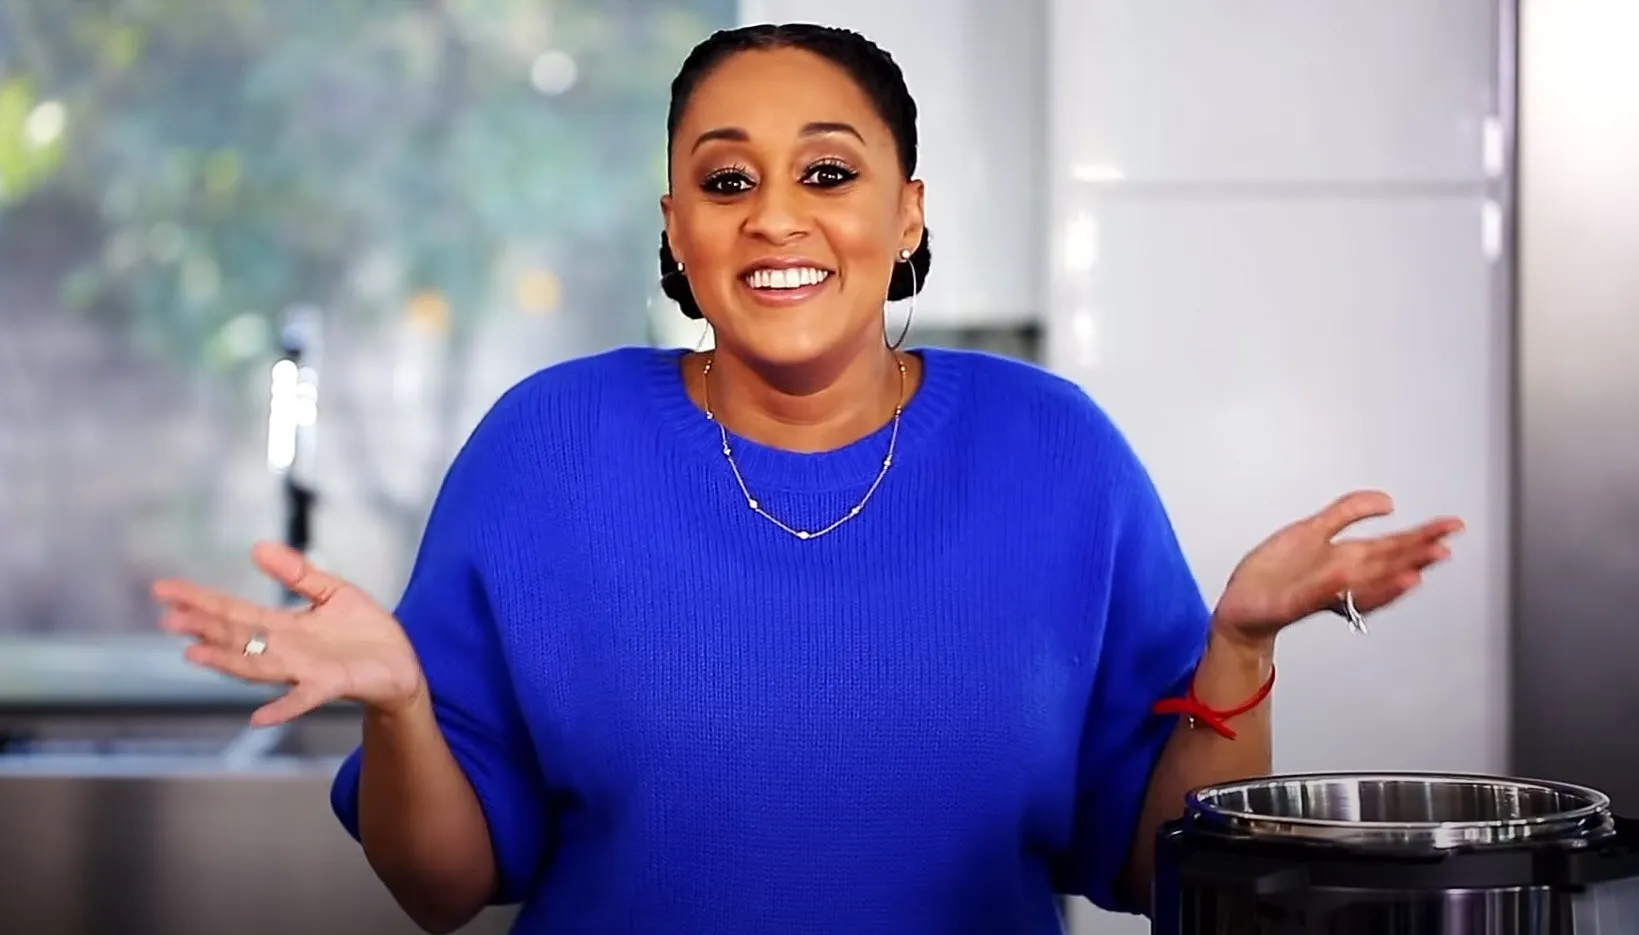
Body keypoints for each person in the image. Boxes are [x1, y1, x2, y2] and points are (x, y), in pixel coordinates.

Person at [151, 22, 1464, 935]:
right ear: (677, 228)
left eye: (828, 172)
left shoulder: (1054, 451)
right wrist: (398, 708)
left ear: (907, 213)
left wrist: (1236, 647)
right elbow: (441, 890)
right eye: (726, 180)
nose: (775, 215)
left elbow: (1158, 867)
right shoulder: (547, 449)